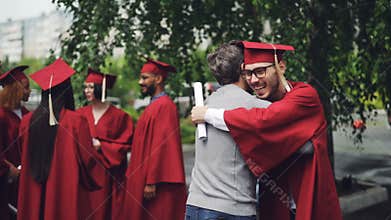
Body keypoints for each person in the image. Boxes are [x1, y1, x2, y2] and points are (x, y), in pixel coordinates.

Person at [192, 41, 343, 220]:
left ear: (281, 67)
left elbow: (264, 121)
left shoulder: (304, 95)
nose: (254, 80)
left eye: (260, 71)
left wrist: (209, 114)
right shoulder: (261, 103)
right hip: (275, 200)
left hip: (305, 196)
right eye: (248, 73)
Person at [186, 42, 271, 220]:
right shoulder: (256, 106)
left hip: (195, 205)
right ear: (243, 69)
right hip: (231, 208)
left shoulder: (206, 103)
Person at [17, 58, 103, 220]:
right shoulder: (76, 122)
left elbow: (23, 154)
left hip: (33, 189)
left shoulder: (26, 122)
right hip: (65, 192)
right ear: (67, 91)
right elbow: (88, 159)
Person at [124, 58, 186, 220]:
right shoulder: (155, 105)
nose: (140, 82)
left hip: (156, 184)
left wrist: (152, 180)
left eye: (145, 78)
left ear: (158, 79)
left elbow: (162, 146)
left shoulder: (165, 106)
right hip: (144, 177)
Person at [77, 68, 134, 220]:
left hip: (108, 174)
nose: (87, 90)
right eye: (85, 87)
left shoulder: (120, 116)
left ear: (100, 89)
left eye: (90, 87)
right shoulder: (79, 114)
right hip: (85, 175)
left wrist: (102, 146)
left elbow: (125, 145)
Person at [0, 65, 31, 220]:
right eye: (26, 88)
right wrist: (8, 168)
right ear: (15, 89)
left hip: (27, 176)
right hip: (7, 177)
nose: (29, 91)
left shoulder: (28, 114)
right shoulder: (1, 115)